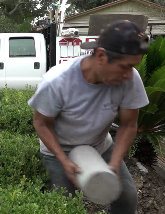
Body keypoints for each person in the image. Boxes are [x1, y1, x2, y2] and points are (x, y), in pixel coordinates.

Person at [28, 20, 149, 214]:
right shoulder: (58, 82)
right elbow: (41, 123)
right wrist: (64, 161)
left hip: (100, 146)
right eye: (125, 67)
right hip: (60, 150)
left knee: (127, 197)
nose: (129, 75)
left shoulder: (130, 78)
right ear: (101, 55)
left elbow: (128, 125)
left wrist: (115, 162)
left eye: (133, 67)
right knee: (63, 206)